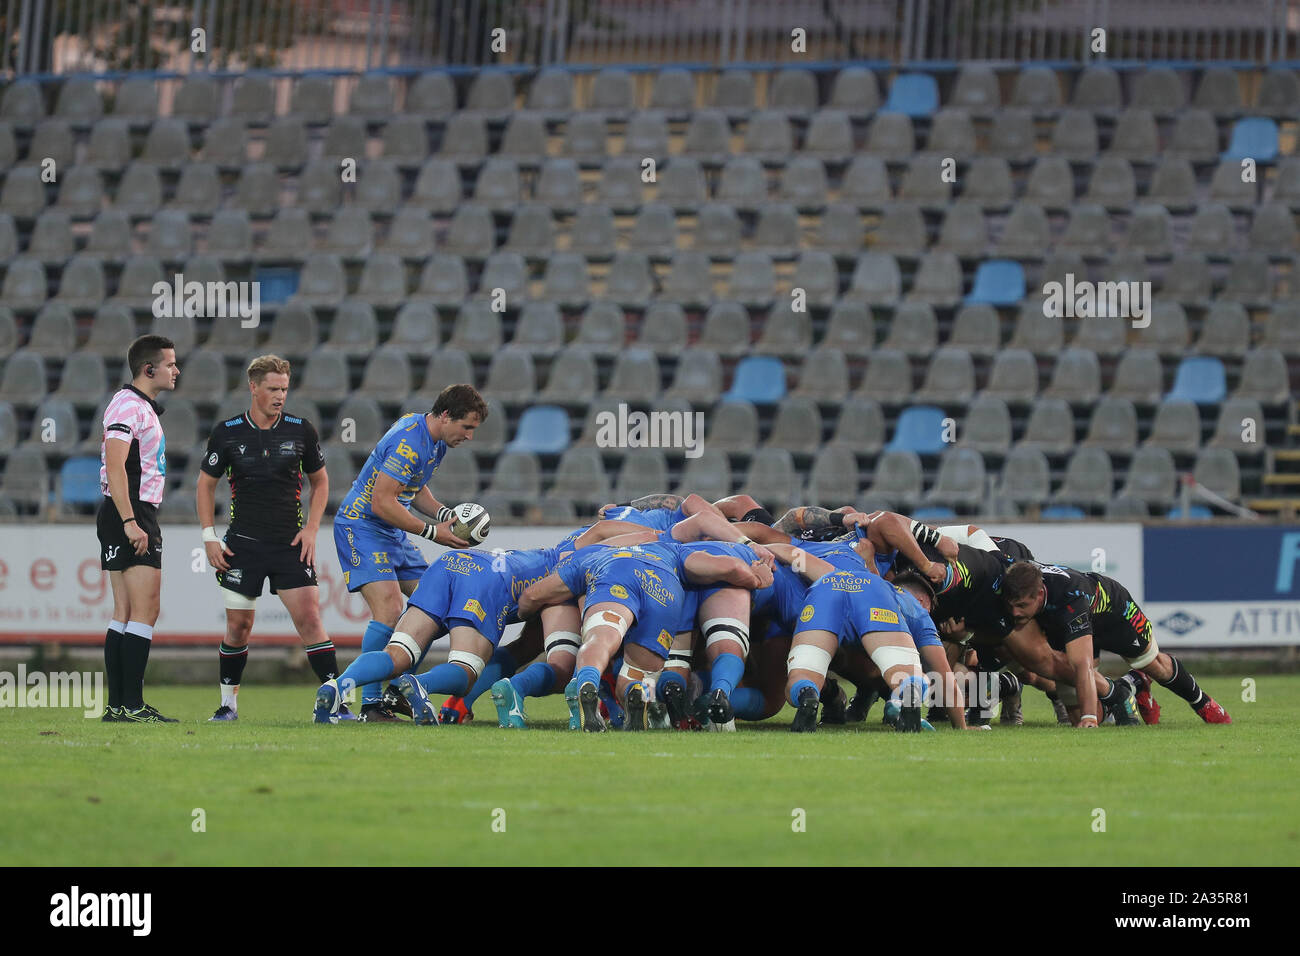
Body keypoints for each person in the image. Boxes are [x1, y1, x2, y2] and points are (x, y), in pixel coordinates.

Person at [197, 355, 342, 721]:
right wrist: (209, 537)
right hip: (242, 545)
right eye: (273, 389)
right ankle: (228, 706)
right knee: (238, 627)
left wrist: (311, 529)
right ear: (254, 387)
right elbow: (205, 485)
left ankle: (337, 705)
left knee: (310, 620)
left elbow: (320, 481)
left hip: (290, 544)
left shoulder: (301, 430)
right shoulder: (227, 432)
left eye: (285, 389)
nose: (280, 396)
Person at [332, 384, 486, 720]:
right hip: (362, 526)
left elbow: (412, 488)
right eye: (467, 427)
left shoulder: (434, 439)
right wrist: (433, 532)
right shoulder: (409, 442)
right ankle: (369, 705)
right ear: (446, 416)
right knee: (389, 608)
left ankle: (394, 693)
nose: (470, 436)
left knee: (437, 605)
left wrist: (445, 514)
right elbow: (383, 501)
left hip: (391, 530)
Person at [1001, 562, 1231, 726]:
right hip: (1070, 625)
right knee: (1076, 715)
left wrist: (1088, 718)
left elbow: (1082, 666)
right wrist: (1088, 717)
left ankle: (1202, 702)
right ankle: (1128, 687)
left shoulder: (1070, 597)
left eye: (1021, 606)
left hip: (1115, 613)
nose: (1014, 612)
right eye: (1011, 606)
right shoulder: (1020, 578)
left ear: (1040, 595)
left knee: (1153, 664)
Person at [97, 335, 180, 722]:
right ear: (150, 370)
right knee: (145, 610)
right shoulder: (129, 405)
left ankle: (118, 706)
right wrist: (131, 521)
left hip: (122, 511)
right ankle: (132, 705)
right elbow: (116, 467)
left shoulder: (135, 405)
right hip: (130, 511)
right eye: (170, 364)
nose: (176, 370)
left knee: (124, 611)